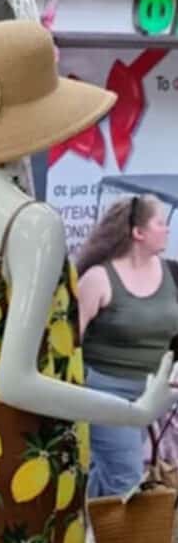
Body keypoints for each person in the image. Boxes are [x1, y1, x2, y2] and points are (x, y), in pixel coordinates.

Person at [75, 193, 178, 498]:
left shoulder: (172, 273)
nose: (168, 229)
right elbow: (68, 343)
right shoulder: (98, 278)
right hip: (106, 394)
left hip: (154, 393)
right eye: (160, 223)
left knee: (113, 474)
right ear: (138, 232)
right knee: (126, 477)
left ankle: (81, 512)